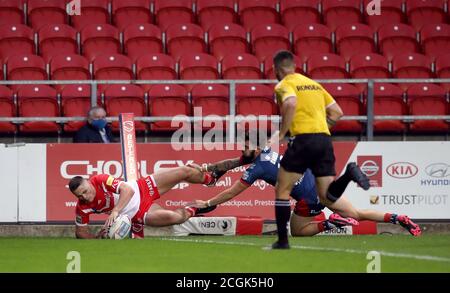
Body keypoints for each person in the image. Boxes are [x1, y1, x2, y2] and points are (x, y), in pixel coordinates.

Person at [193, 144, 421, 237]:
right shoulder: (266, 152)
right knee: (359, 213)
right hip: (318, 180)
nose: (242, 154)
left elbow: (231, 192)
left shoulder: (255, 170)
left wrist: (208, 203)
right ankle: (397, 217)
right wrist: (215, 170)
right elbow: (236, 160)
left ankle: (331, 222)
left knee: (298, 231)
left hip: (308, 198)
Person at [266, 50, 372, 248]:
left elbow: (290, 103)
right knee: (325, 196)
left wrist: (282, 133)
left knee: (282, 189)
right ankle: (348, 174)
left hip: (302, 140)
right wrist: (320, 130)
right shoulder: (314, 85)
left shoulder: (283, 85)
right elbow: (337, 112)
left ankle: (282, 241)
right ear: (294, 66)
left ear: (276, 69)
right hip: (324, 140)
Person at [69, 164, 215, 239]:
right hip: (138, 213)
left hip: (141, 187)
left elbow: (128, 190)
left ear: (88, 182)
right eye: (80, 196)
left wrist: (115, 211)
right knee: (175, 218)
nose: (85, 197)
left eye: (85, 191)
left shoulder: (99, 180)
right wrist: (96, 239)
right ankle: (195, 208)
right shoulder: (82, 207)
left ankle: (211, 179)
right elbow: (80, 232)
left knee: (184, 171)